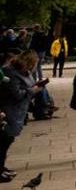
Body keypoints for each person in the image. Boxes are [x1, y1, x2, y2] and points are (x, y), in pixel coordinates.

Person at [1, 52, 49, 183]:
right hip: (9, 110)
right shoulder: (10, 72)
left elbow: (28, 86)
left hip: (18, 111)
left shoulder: (25, 72)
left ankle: (1, 167)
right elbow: (16, 93)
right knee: (4, 140)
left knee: (8, 140)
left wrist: (36, 86)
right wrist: (33, 90)